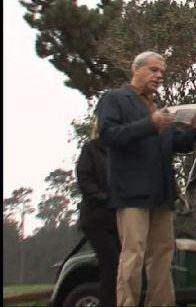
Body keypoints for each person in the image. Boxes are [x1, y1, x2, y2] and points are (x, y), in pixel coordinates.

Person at [97, 51, 196, 306]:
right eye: (154, 69)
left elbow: (171, 143)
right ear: (136, 69)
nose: (159, 76)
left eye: (161, 72)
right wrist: (151, 123)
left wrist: (195, 131)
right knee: (133, 255)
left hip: (161, 194)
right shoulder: (114, 99)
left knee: (162, 256)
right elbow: (109, 136)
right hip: (131, 193)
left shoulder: (157, 108)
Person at [75, 120, 120, 307]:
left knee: (120, 265)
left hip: (115, 219)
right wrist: (104, 197)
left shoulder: (119, 151)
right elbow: (84, 179)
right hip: (96, 219)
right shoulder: (90, 149)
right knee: (110, 263)